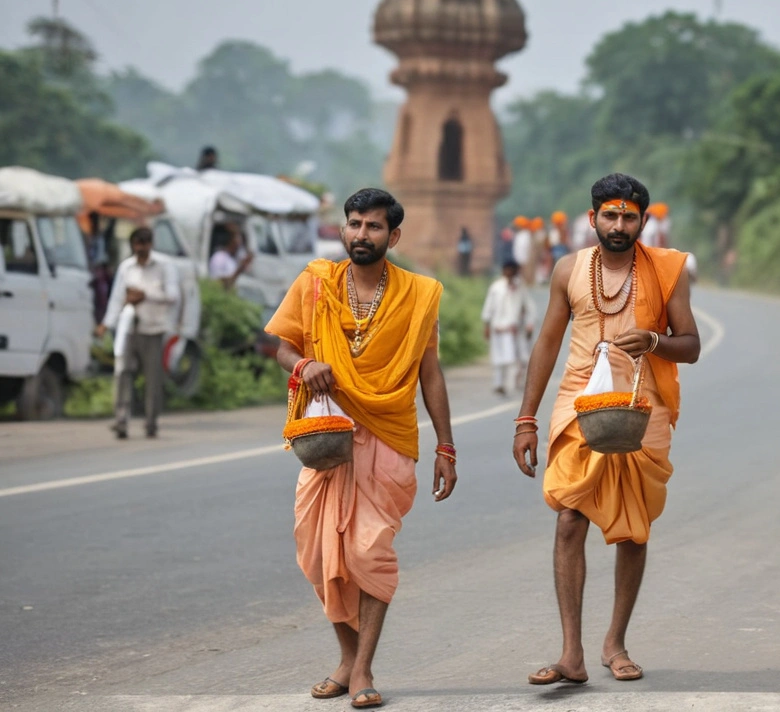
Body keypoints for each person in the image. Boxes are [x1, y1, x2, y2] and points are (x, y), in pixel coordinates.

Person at [265, 188, 458, 709]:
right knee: (317, 551)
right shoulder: (316, 283)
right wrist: (305, 366)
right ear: (343, 229)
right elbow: (284, 347)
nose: (361, 235)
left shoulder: (419, 294)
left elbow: (430, 373)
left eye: (373, 227)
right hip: (326, 439)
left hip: (390, 437)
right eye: (354, 224)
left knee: (369, 552)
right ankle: (347, 659)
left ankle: (363, 669)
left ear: (393, 236)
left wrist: (446, 446)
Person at [513, 173, 700, 686]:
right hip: (579, 400)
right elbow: (547, 344)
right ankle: (570, 653)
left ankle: (615, 642)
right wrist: (526, 418)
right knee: (569, 516)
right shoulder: (568, 269)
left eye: (629, 216)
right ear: (592, 217)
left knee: (633, 527)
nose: (619, 225)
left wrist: (655, 342)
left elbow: (692, 344)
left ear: (643, 220)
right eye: (610, 215)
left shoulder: (667, 271)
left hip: (643, 402)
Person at [97, 228, 180, 440]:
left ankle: (151, 422)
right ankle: (121, 421)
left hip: (153, 329)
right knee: (123, 373)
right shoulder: (127, 267)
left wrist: (145, 295)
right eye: (137, 243)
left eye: (144, 243)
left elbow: (173, 295)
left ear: (150, 243)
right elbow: (117, 298)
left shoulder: (164, 265)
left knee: (152, 379)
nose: (140, 247)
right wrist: (106, 324)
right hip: (129, 328)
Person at [482, 259, 536, 396]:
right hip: (498, 328)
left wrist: (530, 324)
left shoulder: (520, 287)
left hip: (514, 330)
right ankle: (499, 384)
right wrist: (486, 325)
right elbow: (489, 307)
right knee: (498, 358)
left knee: (516, 358)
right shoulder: (496, 287)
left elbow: (528, 307)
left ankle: (513, 384)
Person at [208, 223, 255, 291]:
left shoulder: (232, 259)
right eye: (237, 243)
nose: (239, 246)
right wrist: (240, 269)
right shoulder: (219, 258)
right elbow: (220, 284)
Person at [512, 216, 533, 284]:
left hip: (524, 258)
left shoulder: (526, 235)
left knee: (525, 272)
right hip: (519, 258)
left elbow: (526, 248)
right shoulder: (519, 234)